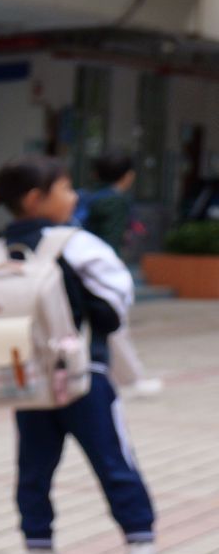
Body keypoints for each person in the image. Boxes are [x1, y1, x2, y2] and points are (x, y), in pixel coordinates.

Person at [0, 155, 158, 554]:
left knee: (33, 467)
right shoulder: (74, 243)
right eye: (64, 188)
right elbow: (114, 307)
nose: (74, 196)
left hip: (30, 381)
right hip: (85, 374)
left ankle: (39, 551)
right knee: (112, 458)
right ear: (35, 199)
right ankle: (140, 544)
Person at [78, 153, 161, 397]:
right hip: (99, 270)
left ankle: (105, 374)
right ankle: (131, 379)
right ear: (128, 176)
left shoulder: (86, 196)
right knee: (115, 323)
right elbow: (110, 242)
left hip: (78, 266)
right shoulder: (116, 201)